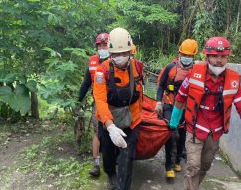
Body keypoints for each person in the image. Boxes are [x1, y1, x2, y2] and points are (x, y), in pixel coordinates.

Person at [169, 36, 241, 190]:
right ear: (207, 56)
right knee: (193, 165)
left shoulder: (234, 80)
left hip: (215, 131)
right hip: (195, 127)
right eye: (214, 56)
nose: (218, 60)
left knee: (205, 165)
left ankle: (193, 185)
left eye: (223, 57)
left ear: (227, 57)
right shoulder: (194, 73)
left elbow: (240, 104)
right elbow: (181, 95)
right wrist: (174, 120)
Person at [93, 27, 143, 190]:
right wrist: (109, 126)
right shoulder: (103, 70)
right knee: (107, 152)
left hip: (131, 119)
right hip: (109, 118)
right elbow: (99, 99)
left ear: (130, 51)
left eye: (124, 53)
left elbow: (139, 94)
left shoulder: (138, 67)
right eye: (115, 54)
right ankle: (110, 173)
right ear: (110, 52)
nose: (119, 57)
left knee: (126, 157)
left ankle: (123, 187)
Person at [155, 39, 198, 178]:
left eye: (190, 56)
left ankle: (178, 159)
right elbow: (161, 85)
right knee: (171, 134)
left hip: (187, 108)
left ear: (194, 56)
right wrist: (158, 102)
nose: (187, 58)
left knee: (182, 135)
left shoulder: (197, 71)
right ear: (179, 53)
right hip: (169, 104)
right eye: (184, 54)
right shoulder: (170, 68)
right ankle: (169, 165)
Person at [78, 33, 109, 177]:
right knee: (97, 132)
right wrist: (79, 99)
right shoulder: (92, 62)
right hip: (98, 103)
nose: (102, 47)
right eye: (100, 45)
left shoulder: (115, 61)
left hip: (113, 104)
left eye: (105, 45)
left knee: (112, 132)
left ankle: (113, 163)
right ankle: (96, 164)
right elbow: (86, 83)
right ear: (97, 47)